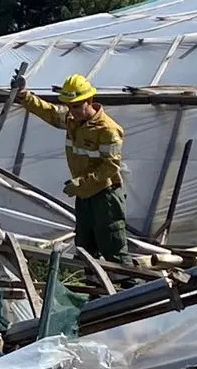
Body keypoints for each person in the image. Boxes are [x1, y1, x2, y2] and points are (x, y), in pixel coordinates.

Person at [12, 71, 130, 263]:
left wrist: (82, 183)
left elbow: (110, 167)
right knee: (85, 251)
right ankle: (96, 292)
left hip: (105, 197)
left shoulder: (107, 130)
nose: (72, 111)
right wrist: (24, 95)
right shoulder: (71, 120)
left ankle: (131, 290)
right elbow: (49, 112)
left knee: (114, 251)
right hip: (84, 196)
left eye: (76, 106)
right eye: (69, 106)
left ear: (89, 100)